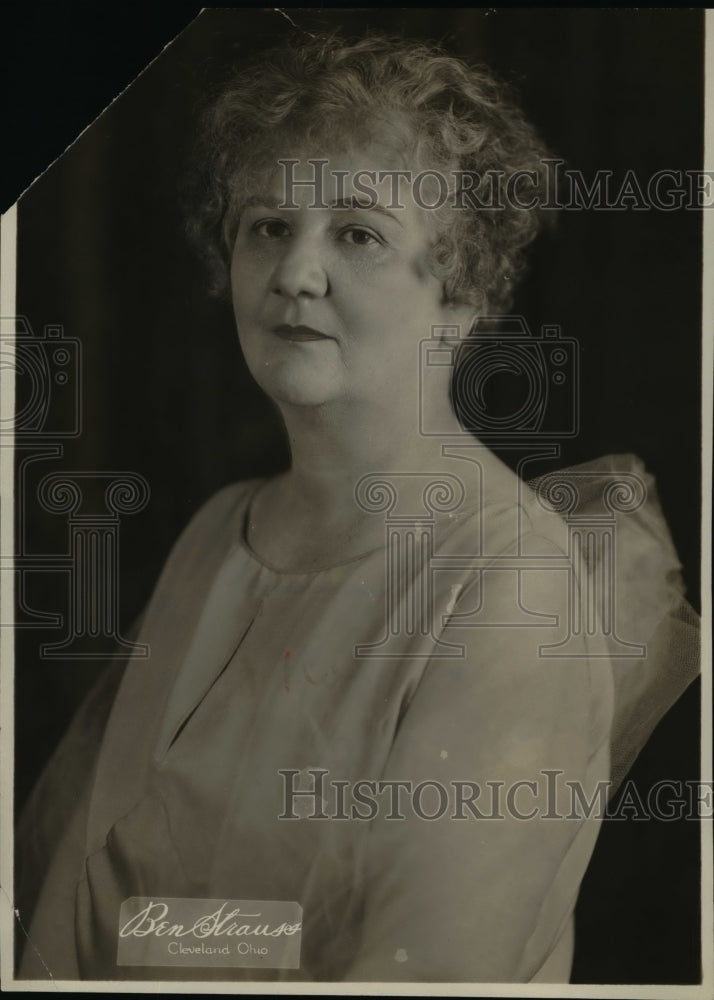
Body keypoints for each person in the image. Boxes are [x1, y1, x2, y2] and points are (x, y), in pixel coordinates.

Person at [16, 32, 699, 984]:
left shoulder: (511, 585)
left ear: (460, 296)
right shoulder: (220, 532)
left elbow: (427, 971)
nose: (295, 272)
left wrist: (165, 946)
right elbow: (78, 904)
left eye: (358, 233)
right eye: (265, 226)